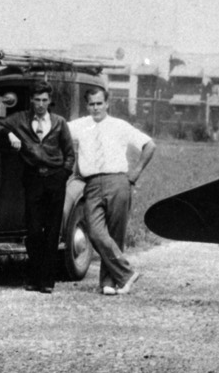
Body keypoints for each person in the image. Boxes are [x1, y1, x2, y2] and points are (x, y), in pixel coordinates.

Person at [0, 80, 75, 293]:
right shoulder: (20, 120)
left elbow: (70, 153)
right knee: (34, 230)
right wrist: (9, 134)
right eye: (37, 100)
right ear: (32, 101)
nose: (41, 104)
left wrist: (63, 174)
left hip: (55, 178)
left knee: (52, 230)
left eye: (45, 100)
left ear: (49, 101)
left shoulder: (59, 122)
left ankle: (47, 281)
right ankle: (33, 277)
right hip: (33, 178)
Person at [67, 84, 156, 294]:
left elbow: (149, 145)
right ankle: (126, 274)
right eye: (91, 104)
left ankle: (108, 283)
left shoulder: (119, 126)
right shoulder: (80, 125)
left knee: (115, 235)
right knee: (96, 233)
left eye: (100, 103)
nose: (96, 108)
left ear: (107, 104)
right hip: (90, 184)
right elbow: (57, 129)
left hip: (117, 182)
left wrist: (136, 172)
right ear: (87, 106)